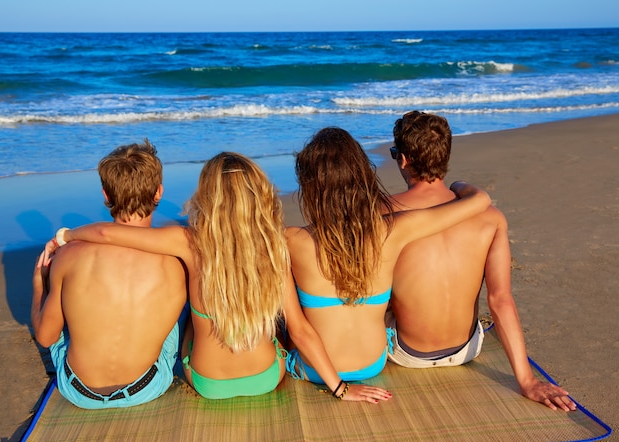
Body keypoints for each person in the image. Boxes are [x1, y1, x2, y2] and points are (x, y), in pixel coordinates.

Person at [41, 152, 392, 403]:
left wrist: (65, 237)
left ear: (207, 195)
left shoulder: (189, 241)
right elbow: (300, 330)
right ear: (259, 195)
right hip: (266, 380)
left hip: (206, 382)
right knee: (280, 324)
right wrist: (341, 389)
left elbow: (108, 235)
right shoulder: (273, 248)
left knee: (185, 305)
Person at [387, 111, 576, 411]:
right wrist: (526, 381)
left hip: (407, 353)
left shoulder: (385, 213)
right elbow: (500, 299)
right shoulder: (490, 218)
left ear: (405, 160)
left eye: (395, 153)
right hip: (467, 349)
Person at [284, 127, 491, 387]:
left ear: (309, 184)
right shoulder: (395, 229)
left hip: (314, 370)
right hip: (372, 363)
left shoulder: (290, 240)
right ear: (362, 177)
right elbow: (480, 200)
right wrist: (459, 185)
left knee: (285, 307)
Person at [32, 139, 188, 409]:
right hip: (146, 386)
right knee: (180, 310)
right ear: (159, 192)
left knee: (67, 308)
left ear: (106, 195)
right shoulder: (177, 262)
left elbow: (46, 338)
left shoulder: (69, 256)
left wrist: (39, 288)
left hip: (79, 390)